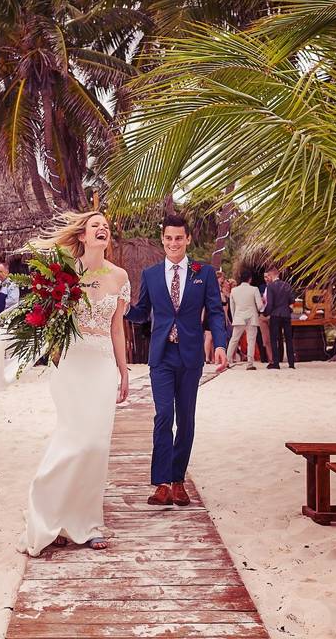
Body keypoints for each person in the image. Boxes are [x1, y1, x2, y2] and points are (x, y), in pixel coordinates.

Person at [0, 211, 130, 555]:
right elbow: (46, 317)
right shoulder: (66, 272)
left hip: (102, 364)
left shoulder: (120, 277)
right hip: (71, 364)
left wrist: (124, 369)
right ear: (83, 236)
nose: (102, 229)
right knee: (74, 440)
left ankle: (87, 524)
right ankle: (47, 515)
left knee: (97, 445)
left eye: (105, 226)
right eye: (95, 226)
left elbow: (117, 327)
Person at [125, 215, 228, 507]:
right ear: (163, 239)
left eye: (179, 238)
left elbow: (215, 312)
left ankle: (179, 481)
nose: (173, 243)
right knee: (163, 416)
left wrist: (219, 343)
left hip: (190, 355)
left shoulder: (203, 272)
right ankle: (162, 484)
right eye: (169, 238)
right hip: (161, 355)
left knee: (185, 419)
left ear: (188, 240)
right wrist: (121, 309)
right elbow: (142, 311)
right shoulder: (151, 274)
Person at [226, 271, 264, 369]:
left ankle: (227, 361)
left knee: (234, 340)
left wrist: (235, 317)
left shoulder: (234, 291)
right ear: (250, 279)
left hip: (238, 317)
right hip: (251, 318)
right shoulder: (254, 289)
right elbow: (260, 306)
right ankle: (249, 363)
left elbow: (232, 307)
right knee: (251, 341)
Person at [263, 268, 295, 369]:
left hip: (275, 315)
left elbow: (270, 303)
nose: (268, 278)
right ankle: (291, 363)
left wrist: (265, 313)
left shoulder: (270, 287)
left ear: (271, 275)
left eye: (268, 276)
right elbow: (292, 301)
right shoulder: (287, 285)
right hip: (286, 315)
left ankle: (276, 363)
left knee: (274, 339)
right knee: (289, 339)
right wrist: (288, 311)